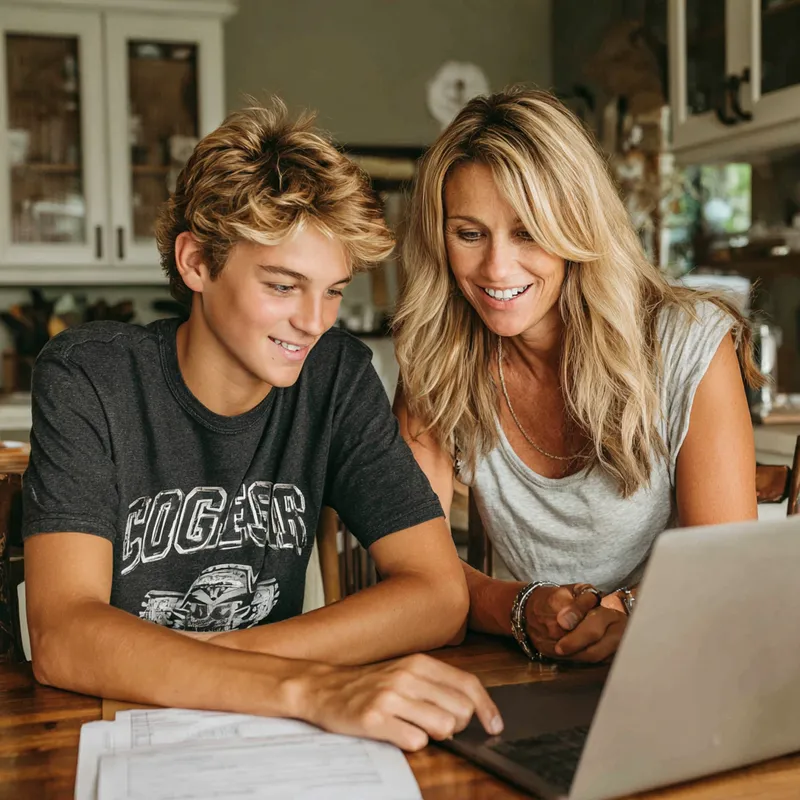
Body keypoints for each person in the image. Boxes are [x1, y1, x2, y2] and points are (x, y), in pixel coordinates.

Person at [22, 100, 502, 751]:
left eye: (332, 290)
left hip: (261, 738)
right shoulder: (91, 377)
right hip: (113, 733)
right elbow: (63, 637)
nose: (315, 320)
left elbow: (440, 597)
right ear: (196, 263)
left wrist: (224, 662)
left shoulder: (333, 375)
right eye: (282, 286)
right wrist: (305, 688)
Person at [393, 87, 760, 666]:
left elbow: (725, 572)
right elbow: (413, 567)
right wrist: (520, 608)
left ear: (578, 229)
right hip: (532, 670)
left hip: (686, 661)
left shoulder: (688, 341)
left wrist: (625, 611)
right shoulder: (438, 359)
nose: (496, 268)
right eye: (469, 234)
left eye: (528, 231)